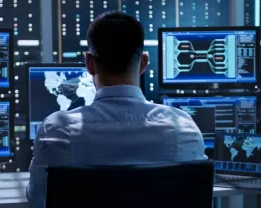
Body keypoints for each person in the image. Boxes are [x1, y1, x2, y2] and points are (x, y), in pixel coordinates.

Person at [27, 11, 206, 207]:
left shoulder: (56, 131)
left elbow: (37, 199)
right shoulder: (184, 129)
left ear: (89, 63)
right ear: (144, 63)